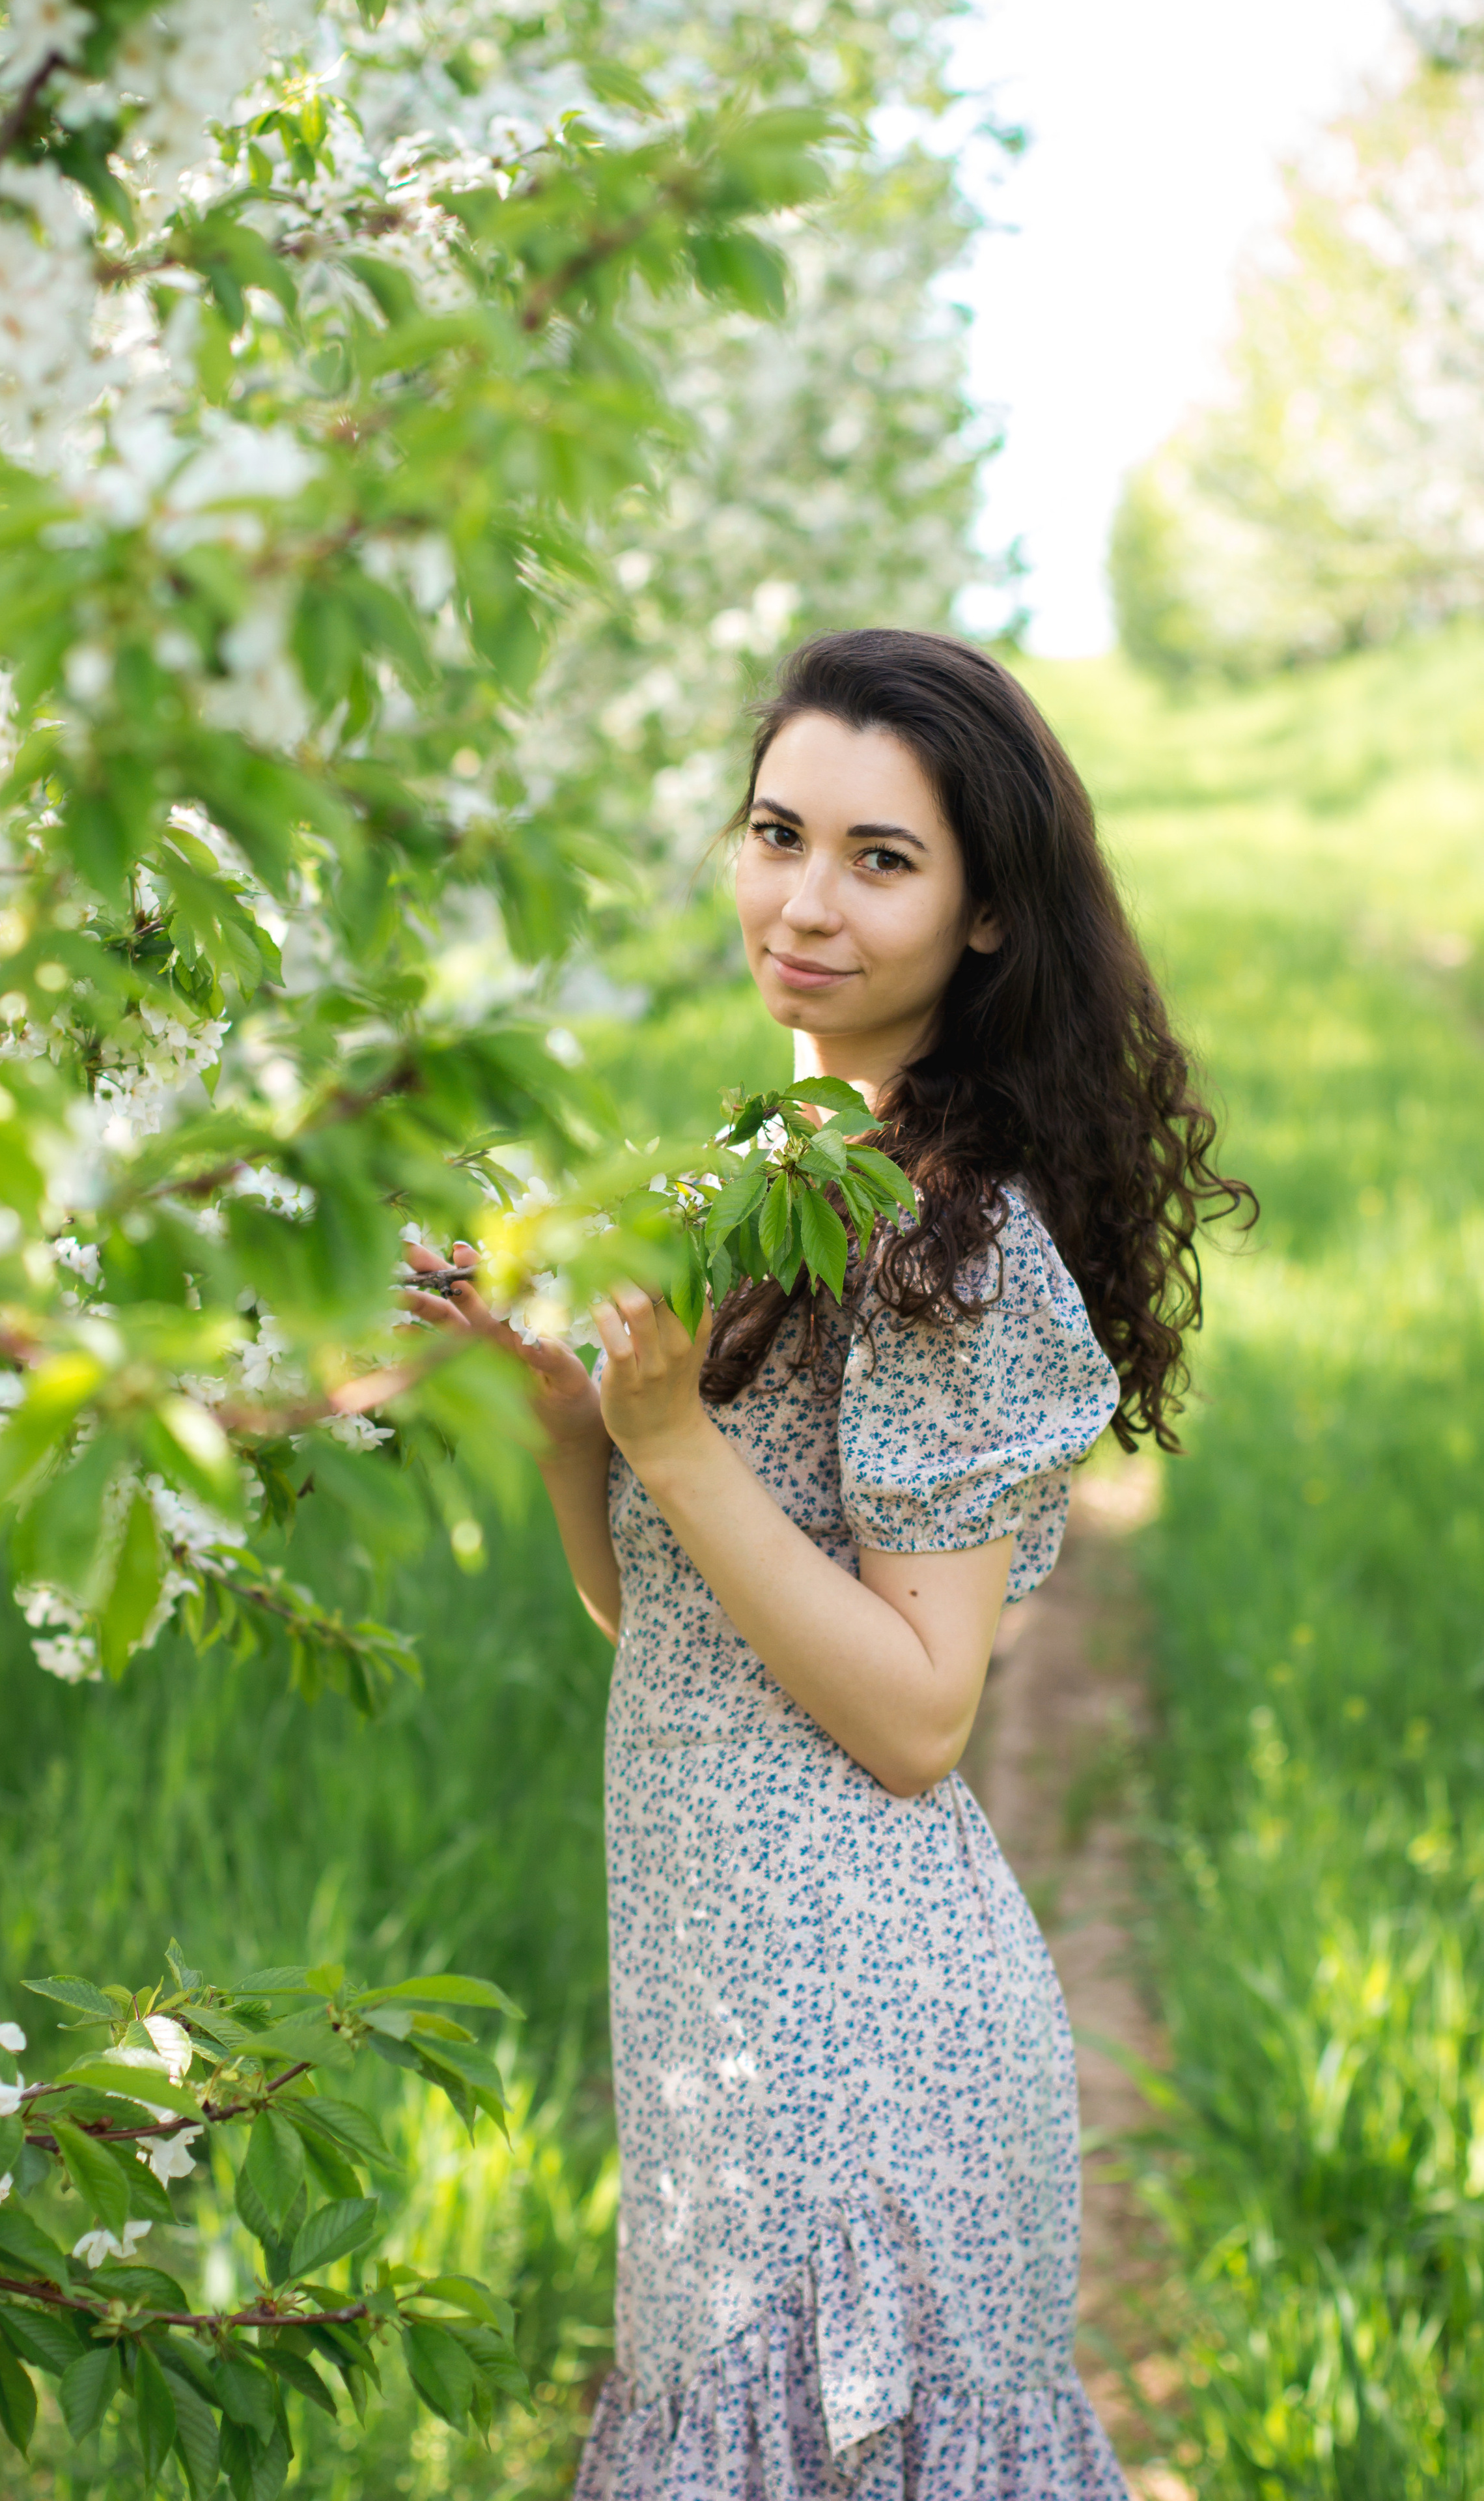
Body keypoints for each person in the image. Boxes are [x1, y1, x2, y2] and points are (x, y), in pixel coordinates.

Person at [406, 629, 1252, 2499]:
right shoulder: (784, 1172)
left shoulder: (949, 1238)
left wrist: (674, 1438)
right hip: (723, 2019)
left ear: (984, 919)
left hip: (860, 2045)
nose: (804, 899)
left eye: (881, 860)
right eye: (778, 831)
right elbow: (676, 1629)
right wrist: (576, 1424)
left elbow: (915, 1719)